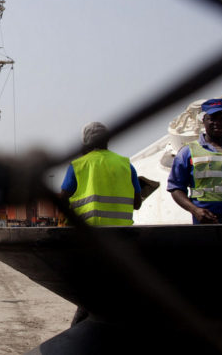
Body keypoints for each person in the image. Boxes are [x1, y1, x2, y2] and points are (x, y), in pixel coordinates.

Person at [59, 121, 143, 325]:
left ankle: (79, 331)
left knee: (90, 290)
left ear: (85, 142)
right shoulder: (125, 164)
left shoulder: (78, 165)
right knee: (114, 287)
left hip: (90, 237)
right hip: (122, 238)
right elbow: (137, 203)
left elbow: (61, 200)